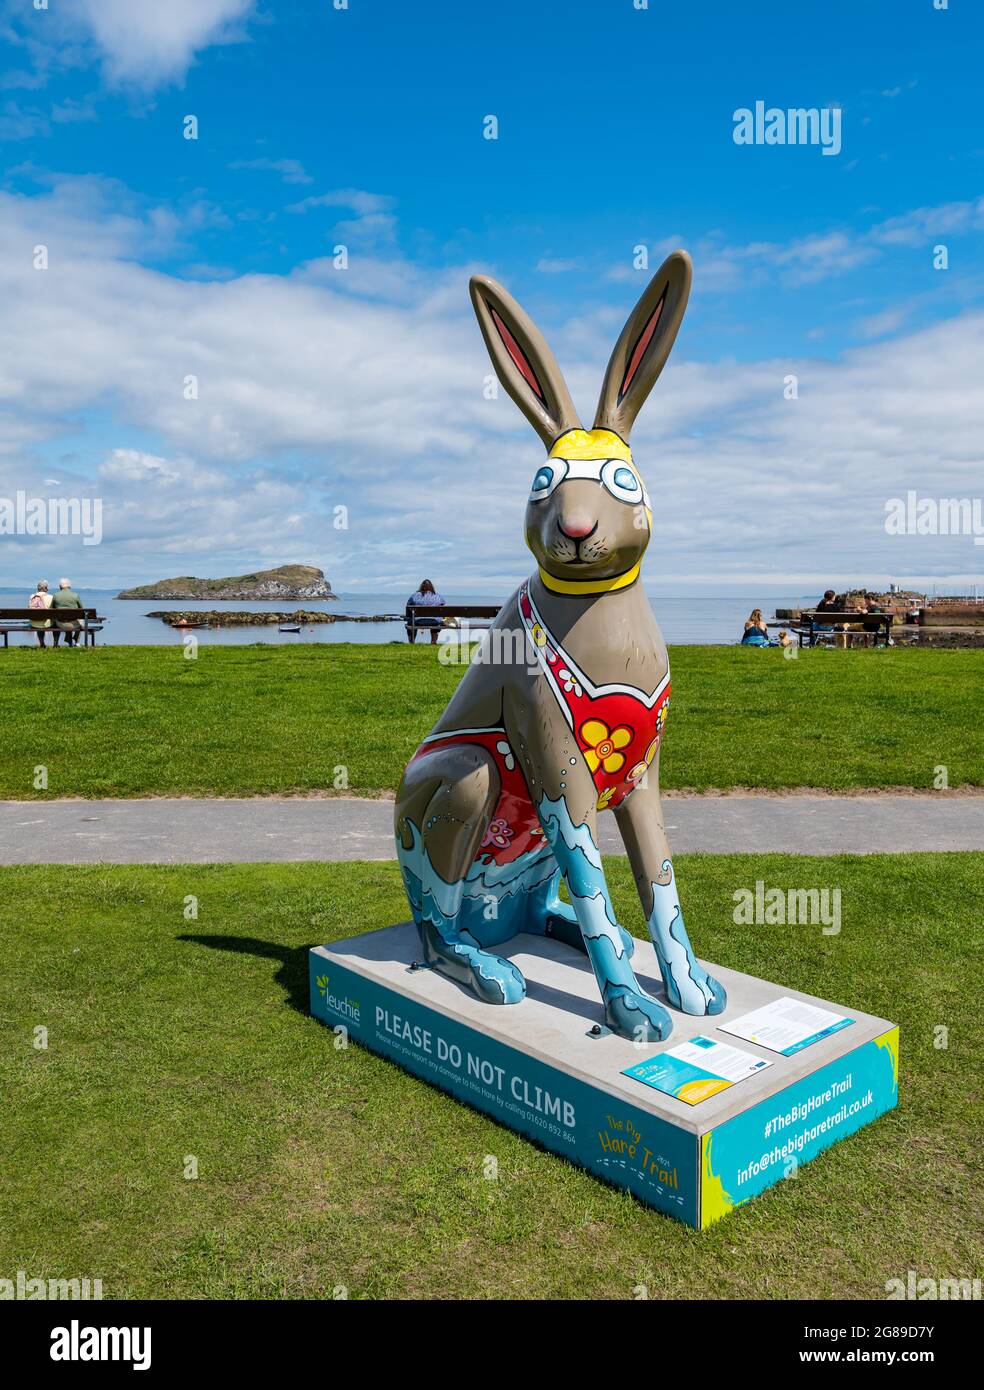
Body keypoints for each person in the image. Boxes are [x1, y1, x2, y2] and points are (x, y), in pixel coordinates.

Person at [405, 578, 445, 644]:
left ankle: (411, 642)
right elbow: (444, 608)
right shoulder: (438, 596)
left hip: (418, 621)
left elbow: (408, 606)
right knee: (437, 620)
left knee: (411, 622)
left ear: (421, 586)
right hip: (434, 621)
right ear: (432, 587)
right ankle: (433, 641)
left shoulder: (414, 596)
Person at [50, 577, 84, 647]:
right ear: (69, 586)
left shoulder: (56, 595)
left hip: (60, 623)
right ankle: (76, 641)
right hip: (73, 624)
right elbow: (82, 610)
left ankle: (64, 641)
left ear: (60, 586)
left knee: (62, 621)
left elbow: (51, 610)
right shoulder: (75, 595)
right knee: (79, 623)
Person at [28, 578, 53, 648]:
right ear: (46, 588)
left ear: (38, 588)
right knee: (51, 622)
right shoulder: (51, 597)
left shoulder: (32, 597)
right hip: (46, 624)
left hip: (34, 623)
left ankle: (42, 643)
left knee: (39, 622)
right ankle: (55, 643)